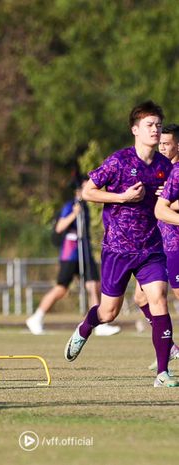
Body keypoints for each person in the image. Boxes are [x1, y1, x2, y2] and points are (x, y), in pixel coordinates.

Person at [64, 101, 178, 387]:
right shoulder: (119, 161)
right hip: (117, 249)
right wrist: (122, 198)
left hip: (152, 249)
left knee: (159, 299)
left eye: (158, 125)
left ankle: (162, 373)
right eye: (150, 125)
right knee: (108, 312)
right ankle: (85, 327)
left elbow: (167, 203)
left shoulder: (166, 167)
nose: (155, 130)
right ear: (135, 130)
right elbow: (88, 192)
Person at [26, 180, 120, 336]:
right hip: (70, 254)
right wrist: (74, 214)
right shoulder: (70, 206)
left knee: (94, 285)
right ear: (78, 190)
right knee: (61, 288)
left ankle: (99, 322)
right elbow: (59, 227)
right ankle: (36, 317)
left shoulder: (87, 208)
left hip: (85, 251)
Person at [134, 122, 179, 370]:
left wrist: (169, 204)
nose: (161, 147)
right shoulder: (160, 170)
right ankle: (170, 346)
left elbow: (164, 208)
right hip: (157, 244)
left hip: (175, 243)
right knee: (140, 297)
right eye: (159, 142)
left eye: (166, 143)